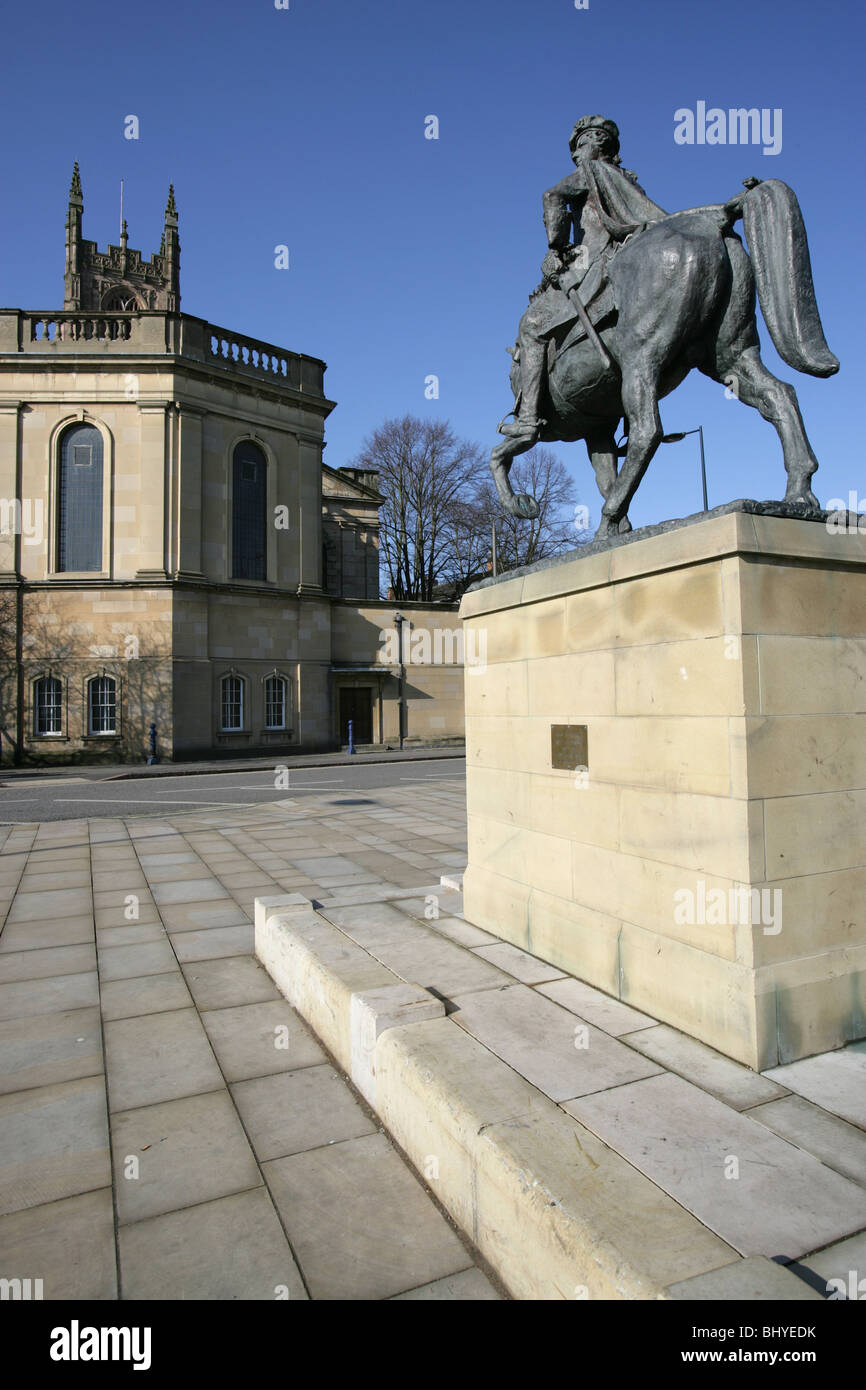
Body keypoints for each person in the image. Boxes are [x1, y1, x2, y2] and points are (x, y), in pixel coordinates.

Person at [499, 115, 667, 444]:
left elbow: (552, 196)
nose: (577, 156)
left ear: (591, 143)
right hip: (629, 256)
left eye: (579, 148)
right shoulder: (629, 181)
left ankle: (529, 418)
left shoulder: (590, 173)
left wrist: (557, 248)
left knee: (531, 324)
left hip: (592, 262)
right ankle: (631, 424)